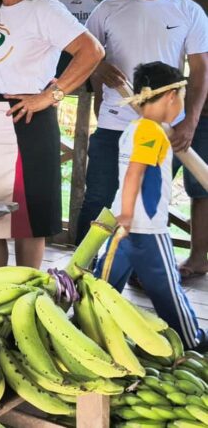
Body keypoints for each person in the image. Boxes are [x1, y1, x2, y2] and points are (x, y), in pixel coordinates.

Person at [0, 0, 103, 270]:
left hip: (25, 121)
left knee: (29, 220)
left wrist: (51, 95)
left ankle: (29, 292)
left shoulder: (44, 9)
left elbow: (92, 51)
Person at [76, 0, 208, 247]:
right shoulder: (108, 9)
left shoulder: (189, 13)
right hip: (114, 125)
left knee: (146, 207)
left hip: (162, 129)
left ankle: (131, 270)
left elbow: (201, 70)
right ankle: (79, 274)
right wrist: (97, 69)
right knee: (99, 200)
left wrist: (189, 121)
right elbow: (84, 55)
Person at [95, 62, 205, 349]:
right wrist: (130, 215)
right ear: (171, 97)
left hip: (121, 226)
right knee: (167, 289)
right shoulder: (151, 132)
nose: (181, 102)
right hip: (146, 228)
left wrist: (124, 218)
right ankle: (191, 338)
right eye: (181, 95)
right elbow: (135, 172)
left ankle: (89, 329)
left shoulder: (135, 128)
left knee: (102, 285)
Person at [179, 0, 208, 279]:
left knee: (204, 189)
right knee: (150, 181)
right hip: (186, 109)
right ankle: (147, 259)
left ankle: (199, 257)